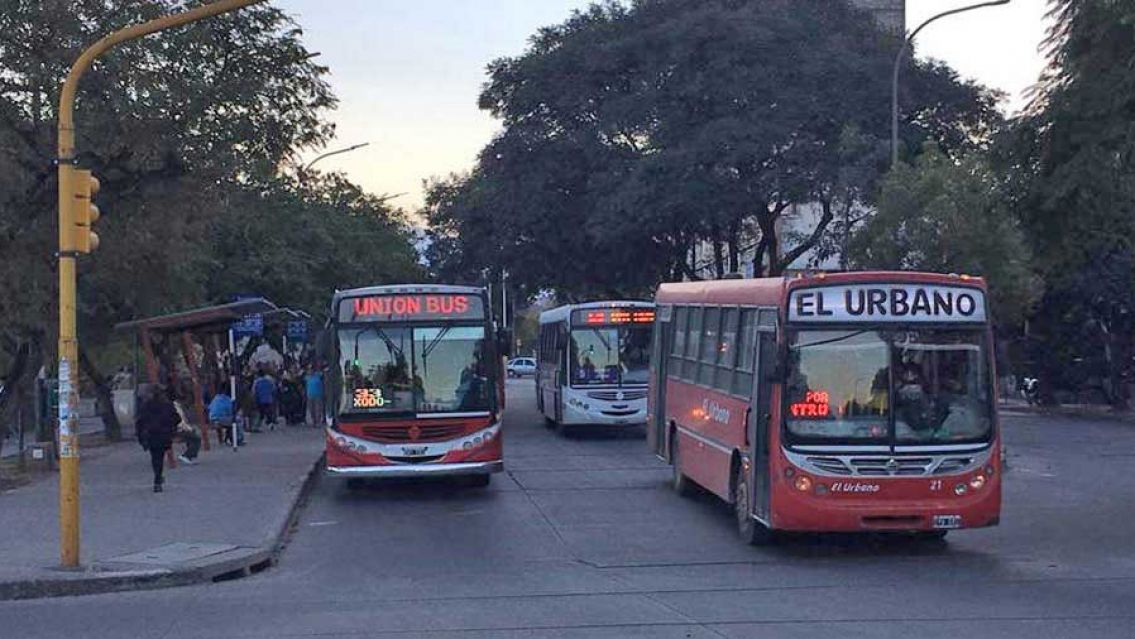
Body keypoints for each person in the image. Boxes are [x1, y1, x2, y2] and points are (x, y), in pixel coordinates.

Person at [135, 384, 179, 492]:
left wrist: (140, 436)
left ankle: (157, 478)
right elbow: (176, 418)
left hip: (150, 435)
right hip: (164, 434)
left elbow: (139, 422)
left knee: (155, 457)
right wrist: (171, 428)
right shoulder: (167, 405)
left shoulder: (145, 406)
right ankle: (158, 478)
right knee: (160, 456)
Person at [172, 390, 202, 465]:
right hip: (176, 430)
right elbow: (181, 423)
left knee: (192, 434)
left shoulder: (174, 406)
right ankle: (187, 456)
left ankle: (190, 454)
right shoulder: (177, 408)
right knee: (197, 438)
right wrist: (190, 429)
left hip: (171, 429)